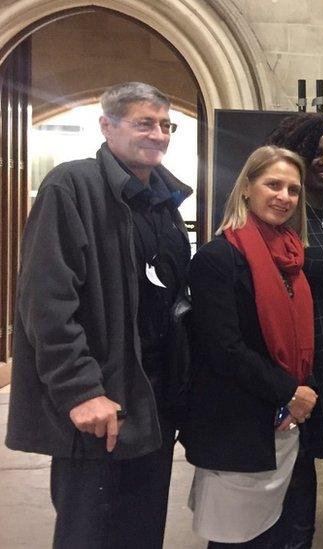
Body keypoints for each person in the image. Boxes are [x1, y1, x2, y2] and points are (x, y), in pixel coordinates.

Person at [5, 82, 191, 549]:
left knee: (142, 527)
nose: (158, 134)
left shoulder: (163, 202)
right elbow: (45, 301)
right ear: (107, 126)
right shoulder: (73, 186)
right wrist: (80, 390)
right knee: (91, 530)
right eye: (143, 122)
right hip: (103, 395)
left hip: (154, 394)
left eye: (166, 124)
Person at [181, 146, 318, 547]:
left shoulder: (291, 258)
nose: (284, 197)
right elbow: (223, 348)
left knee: (282, 535)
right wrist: (289, 392)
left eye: (293, 189)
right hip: (236, 424)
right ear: (246, 188)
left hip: (285, 423)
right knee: (236, 540)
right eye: (273, 184)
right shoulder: (217, 258)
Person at [265, 114, 323, 546]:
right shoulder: (285, 210)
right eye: (317, 152)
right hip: (293, 346)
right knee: (288, 456)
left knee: (302, 461)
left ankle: (298, 539)